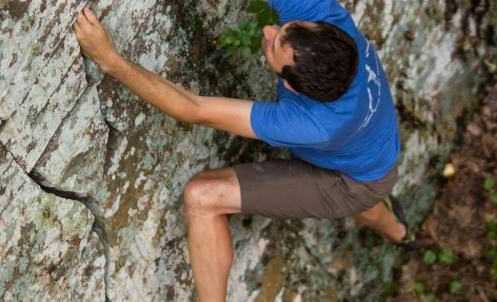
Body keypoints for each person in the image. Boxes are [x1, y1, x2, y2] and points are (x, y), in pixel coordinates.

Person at [74, 1, 416, 301]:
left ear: (290, 86)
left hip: (354, 180)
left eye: (272, 46)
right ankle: (400, 232)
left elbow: (193, 109)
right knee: (372, 204)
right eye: (283, 29)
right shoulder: (324, 19)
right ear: (320, 27)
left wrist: (110, 60)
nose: (268, 30)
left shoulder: (315, 123)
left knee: (203, 196)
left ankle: (394, 227)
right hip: (380, 151)